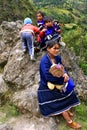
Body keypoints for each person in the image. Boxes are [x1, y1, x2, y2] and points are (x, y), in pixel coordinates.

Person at [37, 37, 82, 129]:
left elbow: (61, 67)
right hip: (47, 86)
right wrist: (62, 80)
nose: (57, 50)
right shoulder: (44, 62)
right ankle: (69, 121)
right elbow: (47, 77)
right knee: (60, 101)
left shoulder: (57, 58)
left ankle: (68, 109)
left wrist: (65, 74)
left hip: (59, 81)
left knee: (70, 92)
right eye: (54, 48)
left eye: (58, 48)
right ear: (48, 49)